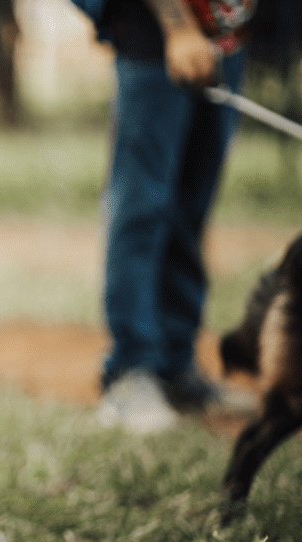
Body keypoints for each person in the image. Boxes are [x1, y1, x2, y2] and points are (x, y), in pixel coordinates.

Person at [71, 0, 256, 433]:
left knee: (191, 207)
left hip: (225, 39)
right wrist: (179, 29)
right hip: (158, 38)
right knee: (142, 208)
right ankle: (130, 370)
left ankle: (176, 366)